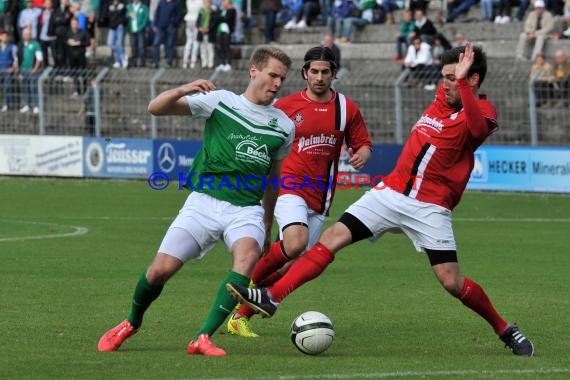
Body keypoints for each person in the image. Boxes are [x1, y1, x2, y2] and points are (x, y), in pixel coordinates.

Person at [227, 44, 536, 357]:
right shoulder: (440, 101)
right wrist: (457, 76)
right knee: (331, 239)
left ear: (473, 80)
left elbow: (478, 128)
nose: (445, 83)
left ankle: (505, 329)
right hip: (388, 194)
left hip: (430, 208)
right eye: (444, 77)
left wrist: (465, 84)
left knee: (451, 281)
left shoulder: (483, 111)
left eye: (454, 78)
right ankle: (272, 297)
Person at [97, 46, 294, 356]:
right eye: (273, 75)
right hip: (203, 203)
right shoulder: (221, 102)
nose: (278, 83)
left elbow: (273, 178)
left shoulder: (284, 125)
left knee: (246, 261)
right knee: (159, 271)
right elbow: (155, 108)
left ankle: (202, 338)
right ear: (253, 71)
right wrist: (183, 88)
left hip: (245, 209)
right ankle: (131, 322)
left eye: (282, 78)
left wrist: (268, 222)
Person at [225, 46, 372, 337]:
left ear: (333, 74)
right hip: (290, 186)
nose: (319, 77)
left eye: (325, 72)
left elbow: (363, 144)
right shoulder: (284, 107)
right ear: (305, 73)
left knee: (290, 266)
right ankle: (243, 280)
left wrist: (363, 154)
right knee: (294, 244)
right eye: (314, 71)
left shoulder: (346, 108)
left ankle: (239, 316)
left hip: (322, 195)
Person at [18, 25, 43, 114]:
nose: (26, 36)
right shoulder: (20, 44)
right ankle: (27, 105)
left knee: (33, 88)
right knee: (24, 88)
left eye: (28, 34)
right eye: (25, 34)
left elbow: (39, 58)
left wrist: (35, 68)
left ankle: (36, 105)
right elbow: (18, 57)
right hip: (23, 69)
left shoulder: (35, 44)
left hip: (33, 70)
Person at [151, 0, 181, 68]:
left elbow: (179, 15)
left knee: (169, 44)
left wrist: (173, 22)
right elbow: (157, 14)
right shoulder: (161, 2)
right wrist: (154, 24)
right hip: (160, 26)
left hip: (170, 27)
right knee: (156, 43)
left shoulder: (176, 3)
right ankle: (155, 62)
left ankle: (169, 62)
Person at [214, 0, 236, 72]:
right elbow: (216, 18)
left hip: (227, 31)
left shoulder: (231, 10)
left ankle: (228, 63)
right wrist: (220, 17)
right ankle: (221, 63)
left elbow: (226, 19)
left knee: (227, 47)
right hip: (220, 31)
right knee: (220, 47)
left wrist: (220, 17)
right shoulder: (220, 10)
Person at [127, 0, 149, 68]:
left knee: (141, 46)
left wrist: (142, 26)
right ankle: (134, 62)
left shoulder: (143, 7)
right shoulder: (130, 6)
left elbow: (146, 18)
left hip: (140, 29)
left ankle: (142, 62)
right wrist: (129, 15)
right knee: (133, 46)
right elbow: (126, 14)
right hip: (132, 29)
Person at [0, 27, 18, 113]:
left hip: (7, 69)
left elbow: (16, 59)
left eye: (6, 36)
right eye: (3, 36)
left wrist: (13, 68)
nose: (5, 38)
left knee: (7, 88)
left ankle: (8, 105)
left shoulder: (13, 47)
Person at [107, 0, 127, 68]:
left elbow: (121, 15)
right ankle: (123, 56)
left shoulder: (122, 5)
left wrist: (116, 12)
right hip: (112, 27)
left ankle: (118, 61)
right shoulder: (110, 6)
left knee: (119, 44)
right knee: (110, 43)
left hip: (119, 26)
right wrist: (117, 11)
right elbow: (110, 16)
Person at [181, 0, 201, 68]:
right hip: (195, 20)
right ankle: (193, 61)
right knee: (195, 41)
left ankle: (185, 61)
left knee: (189, 41)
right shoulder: (200, 1)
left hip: (188, 19)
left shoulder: (188, 1)